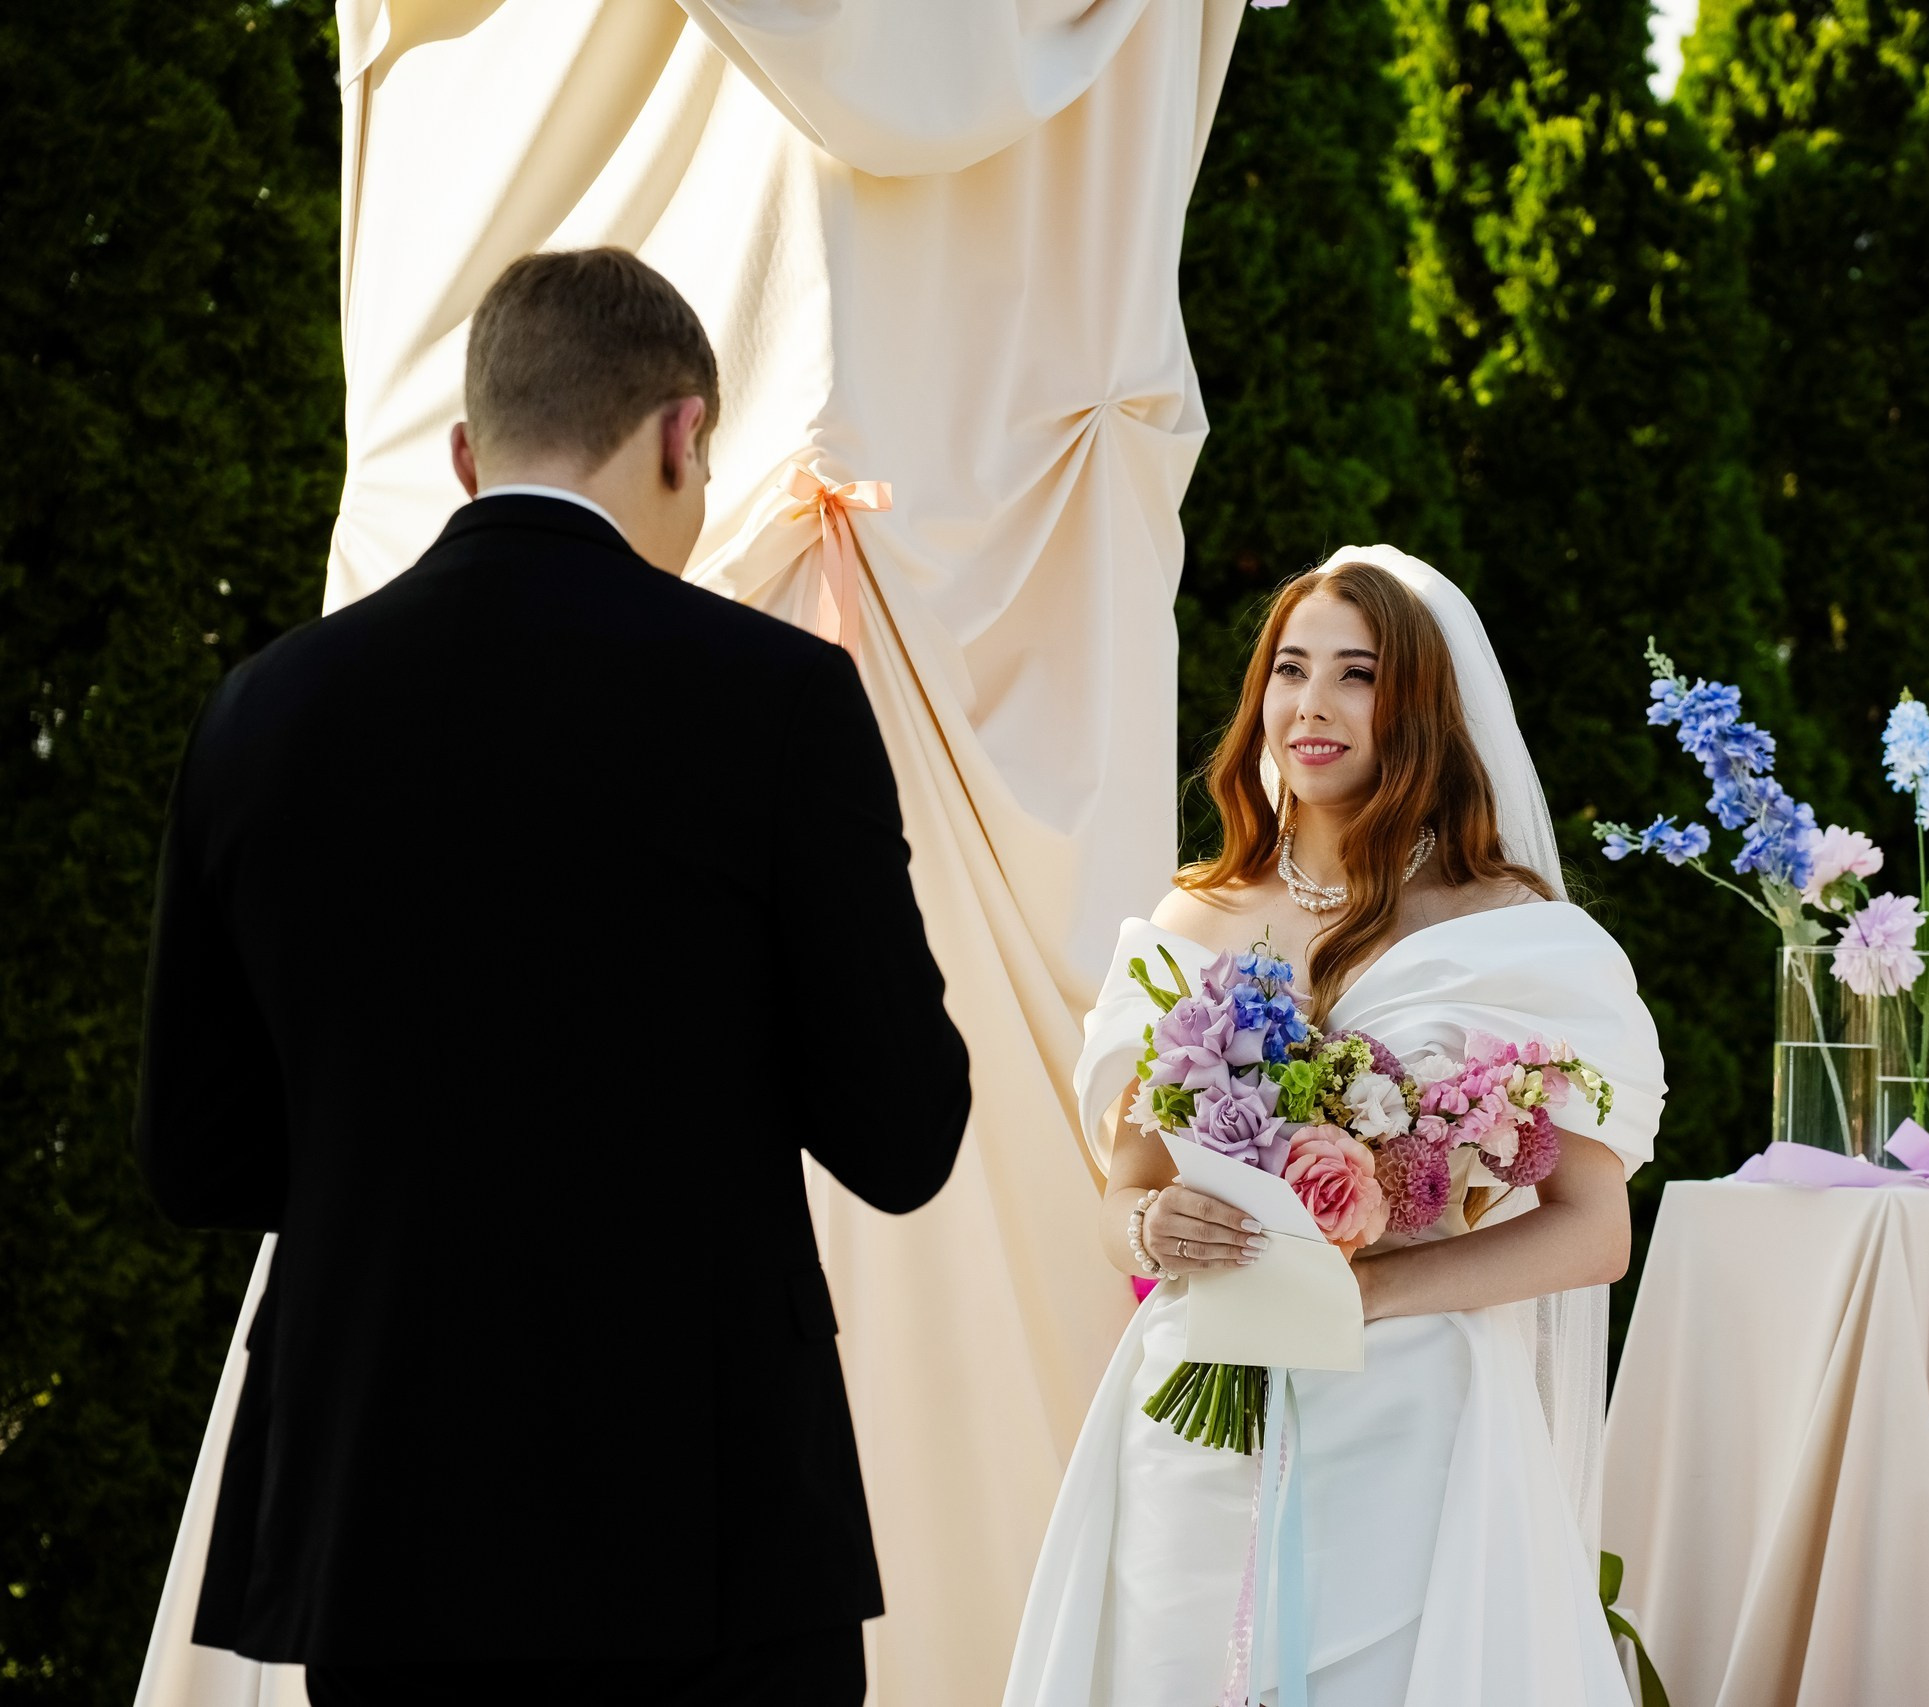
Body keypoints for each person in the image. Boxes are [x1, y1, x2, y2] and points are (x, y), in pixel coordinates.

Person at [133, 247, 967, 1707]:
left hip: (382, 1504)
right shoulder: (773, 701)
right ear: (681, 432)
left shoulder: (261, 711)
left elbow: (195, 1155)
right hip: (704, 1503)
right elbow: (902, 1135)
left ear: (466, 451)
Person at [1005, 548, 1667, 1706]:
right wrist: (1160, 1227)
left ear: (1418, 704)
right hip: (1195, 1411)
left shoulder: (1513, 936)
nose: (1311, 706)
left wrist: (1372, 1293)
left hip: (1414, 1417)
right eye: (1290, 669)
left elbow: (1593, 1234)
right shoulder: (1192, 918)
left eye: (1355, 674)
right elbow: (1119, 1205)